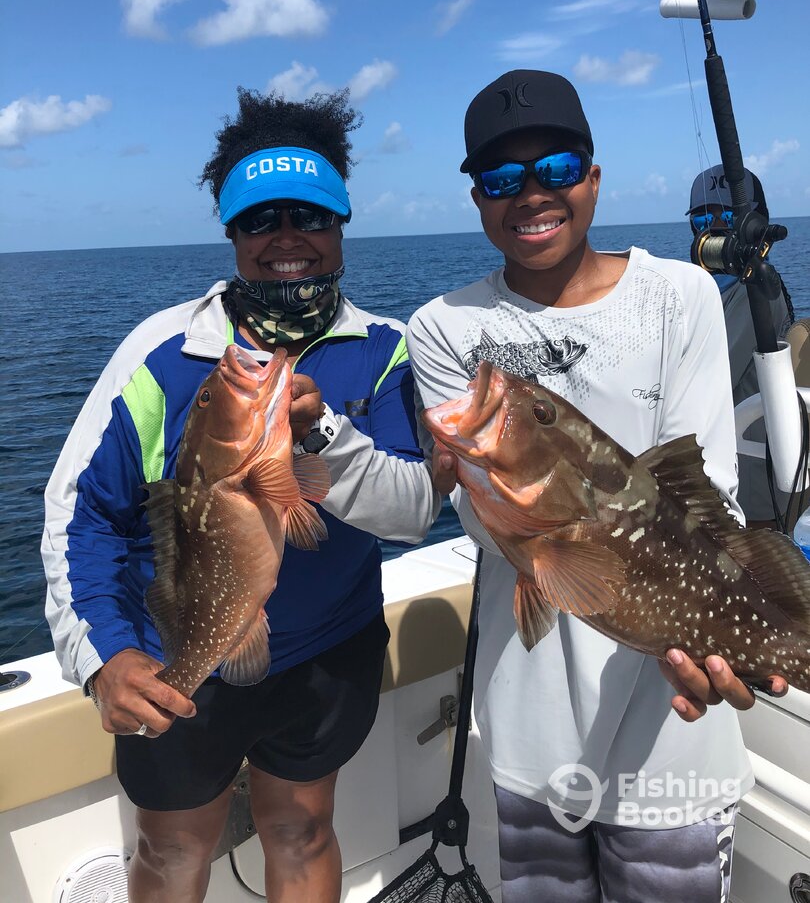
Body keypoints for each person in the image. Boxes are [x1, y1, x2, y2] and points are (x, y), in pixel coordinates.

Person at [41, 87, 439, 903]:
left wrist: (322, 431)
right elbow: (82, 519)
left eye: (310, 216)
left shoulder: (388, 350)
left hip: (329, 652)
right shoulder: (160, 354)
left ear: (341, 225)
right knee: (169, 851)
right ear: (231, 234)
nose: (287, 238)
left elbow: (412, 514)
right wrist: (106, 655)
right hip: (176, 649)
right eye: (260, 221)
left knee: (303, 829)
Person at [407, 70, 789, 903]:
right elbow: (485, 520)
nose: (531, 194)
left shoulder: (679, 294)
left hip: (671, 734)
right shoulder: (443, 327)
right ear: (477, 198)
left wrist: (735, 636)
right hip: (530, 730)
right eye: (502, 178)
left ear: (593, 176)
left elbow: (709, 494)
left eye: (556, 167)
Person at [687, 165, 794, 525]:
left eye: (730, 217)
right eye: (704, 218)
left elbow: (704, 380)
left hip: (751, 497)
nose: (716, 228)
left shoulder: (758, 294)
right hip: (714, 485)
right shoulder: (707, 292)